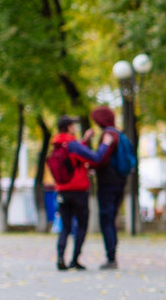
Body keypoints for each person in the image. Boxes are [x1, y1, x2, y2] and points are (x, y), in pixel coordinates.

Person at [87, 106, 127, 270]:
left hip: (108, 183)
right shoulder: (118, 133)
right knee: (111, 218)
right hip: (119, 181)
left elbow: (101, 159)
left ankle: (111, 257)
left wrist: (92, 166)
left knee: (107, 219)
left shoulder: (108, 135)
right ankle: (112, 255)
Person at [51, 116, 93, 271]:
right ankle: (75, 259)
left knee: (65, 227)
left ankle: (61, 257)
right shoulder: (72, 144)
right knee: (82, 225)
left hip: (62, 191)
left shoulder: (56, 145)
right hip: (79, 191)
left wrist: (85, 139)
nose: (75, 127)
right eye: (73, 125)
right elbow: (92, 157)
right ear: (69, 127)